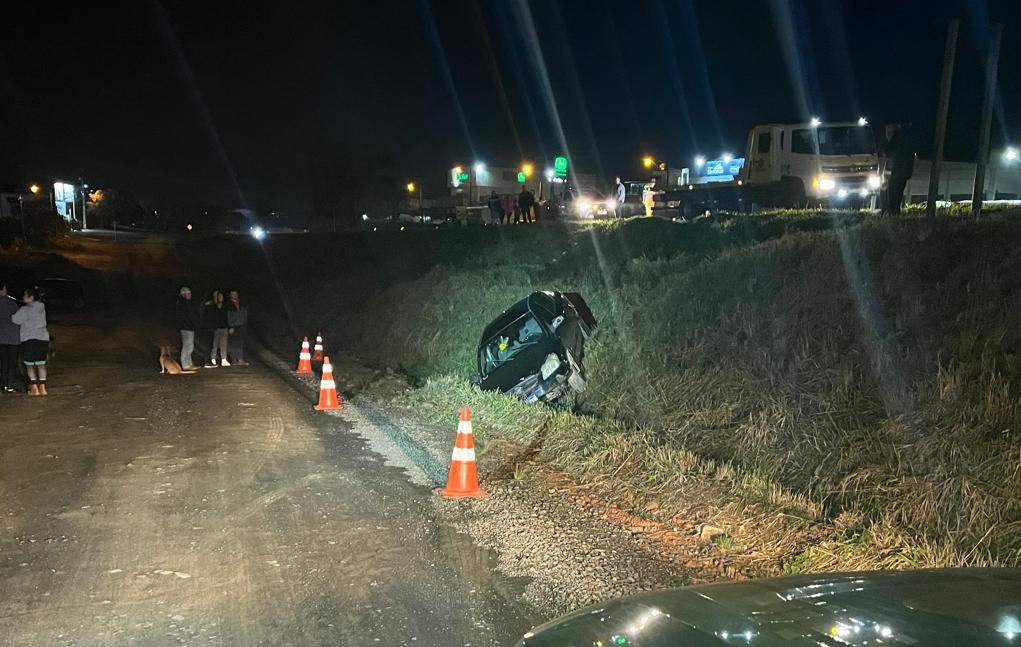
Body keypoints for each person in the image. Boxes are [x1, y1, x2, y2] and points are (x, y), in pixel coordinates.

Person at [11, 287, 50, 396]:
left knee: (29, 365)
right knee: (41, 364)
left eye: (25, 295)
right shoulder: (42, 308)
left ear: (31, 297)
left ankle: (34, 387)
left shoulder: (25, 309)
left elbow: (15, 320)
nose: (23, 297)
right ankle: (43, 387)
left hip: (28, 339)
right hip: (42, 338)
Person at [881, 123, 915, 216]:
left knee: (891, 196)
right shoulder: (906, 141)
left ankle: (891, 215)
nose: (886, 135)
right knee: (898, 196)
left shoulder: (895, 142)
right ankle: (895, 214)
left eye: (888, 132)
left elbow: (888, 153)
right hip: (903, 173)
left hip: (895, 174)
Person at [0, 282, 20, 393]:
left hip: (1, 339)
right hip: (12, 338)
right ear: (3, 290)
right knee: (12, 363)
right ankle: (10, 385)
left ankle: (4, 386)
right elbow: (17, 319)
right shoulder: (11, 304)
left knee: (4, 363)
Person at [202, 290, 230, 367]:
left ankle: (224, 359)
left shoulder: (225, 306)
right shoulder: (212, 306)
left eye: (221, 296)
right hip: (215, 328)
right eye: (219, 296)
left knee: (223, 344)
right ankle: (212, 359)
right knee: (214, 344)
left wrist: (228, 327)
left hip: (223, 328)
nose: (221, 298)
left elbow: (226, 317)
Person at [175, 286, 200, 369]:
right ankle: (185, 364)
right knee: (187, 345)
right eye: (188, 293)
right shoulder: (183, 303)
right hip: (186, 327)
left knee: (190, 346)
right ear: (183, 294)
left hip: (190, 327)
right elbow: (187, 316)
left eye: (189, 293)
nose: (190, 295)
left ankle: (189, 363)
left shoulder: (187, 303)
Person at [226, 289, 249, 365]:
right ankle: (234, 359)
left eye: (235, 294)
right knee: (233, 343)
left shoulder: (242, 303)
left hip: (241, 326)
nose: (234, 296)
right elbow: (228, 316)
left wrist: (244, 323)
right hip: (234, 326)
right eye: (232, 294)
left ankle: (240, 358)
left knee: (240, 343)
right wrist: (230, 326)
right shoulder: (229, 305)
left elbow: (245, 313)